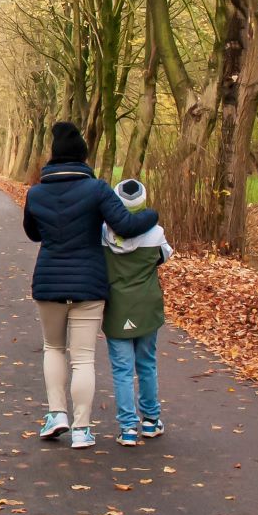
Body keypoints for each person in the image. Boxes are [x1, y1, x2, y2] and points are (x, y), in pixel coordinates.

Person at [21, 121, 159, 449]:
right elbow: (124, 226)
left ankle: (57, 415)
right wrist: (152, 215)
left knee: (53, 348)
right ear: (83, 157)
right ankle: (82, 430)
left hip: (49, 282)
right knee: (83, 358)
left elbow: (33, 233)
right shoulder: (97, 189)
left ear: (53, 157)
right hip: (89, 283)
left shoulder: (36, 192)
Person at [101, 178, 171, 446]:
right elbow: (164, 257)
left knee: (121, 369)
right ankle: (152, 420)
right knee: (147, 363)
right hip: (147, 306)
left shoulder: (103, 234)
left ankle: (128, 427)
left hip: (118, 306)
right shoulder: (156, 233)